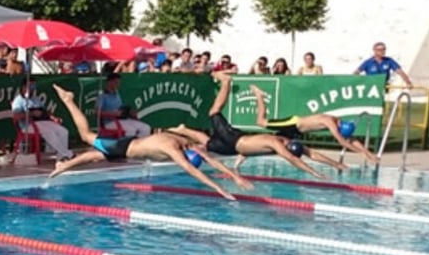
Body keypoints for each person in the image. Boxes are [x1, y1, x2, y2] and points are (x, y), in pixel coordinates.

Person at [48, 86, 248, 200]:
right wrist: (218, 188)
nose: (202, 149)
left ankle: (64, 166)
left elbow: (212, 161)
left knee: (94, 155)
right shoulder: (173, 148)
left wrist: (234, 176)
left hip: (128, 144)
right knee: (86, 136)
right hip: (124, 148)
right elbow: (192, 171)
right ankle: (68, 100)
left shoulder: (185, 142)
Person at [167, 71, 326, 179]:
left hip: (233, 147)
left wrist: (330, 166)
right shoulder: (275, 143)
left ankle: (183, 129)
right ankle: (226, 82)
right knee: (214, 112)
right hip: (234, 140)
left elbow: (300, 154)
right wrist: (313, 172)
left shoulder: (278, 144)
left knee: (208, 142)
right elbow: (292, 159)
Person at [246, 84, 379, 166]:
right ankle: (259, 95)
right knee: (261, 122)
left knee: (286, 148)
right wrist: (363, 153)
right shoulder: (329, 121)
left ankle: (336, 165)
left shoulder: (338, 123)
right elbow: (342, 141)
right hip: (293, 123)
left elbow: (351, 139)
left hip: (297, 131)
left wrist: (368, 153)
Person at [11, 81, 72, 161]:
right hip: (28, 125)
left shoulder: (36, 99)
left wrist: (53, 117)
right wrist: (32, 113)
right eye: (28, 87)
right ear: (23, 87)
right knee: (49, 132)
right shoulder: (18, 101)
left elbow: (44, 111)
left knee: (63, 131)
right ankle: (67, 154)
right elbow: (16, 116)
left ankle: (61, 156)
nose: (31, 89)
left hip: (42, 122)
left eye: (33, 87)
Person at [97, 73, 151, 137]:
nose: (118, 85)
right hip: (109, 123)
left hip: (122, 120)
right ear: (109, 82)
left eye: (119, 83)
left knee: (146, 128)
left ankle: (140, 143)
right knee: (131, 130)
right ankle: (128, 143)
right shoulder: (102, 96)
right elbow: (97, 112)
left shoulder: (117, 94)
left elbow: (120, 108)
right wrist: (112, 114)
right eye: (116, 82)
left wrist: (130, 112)